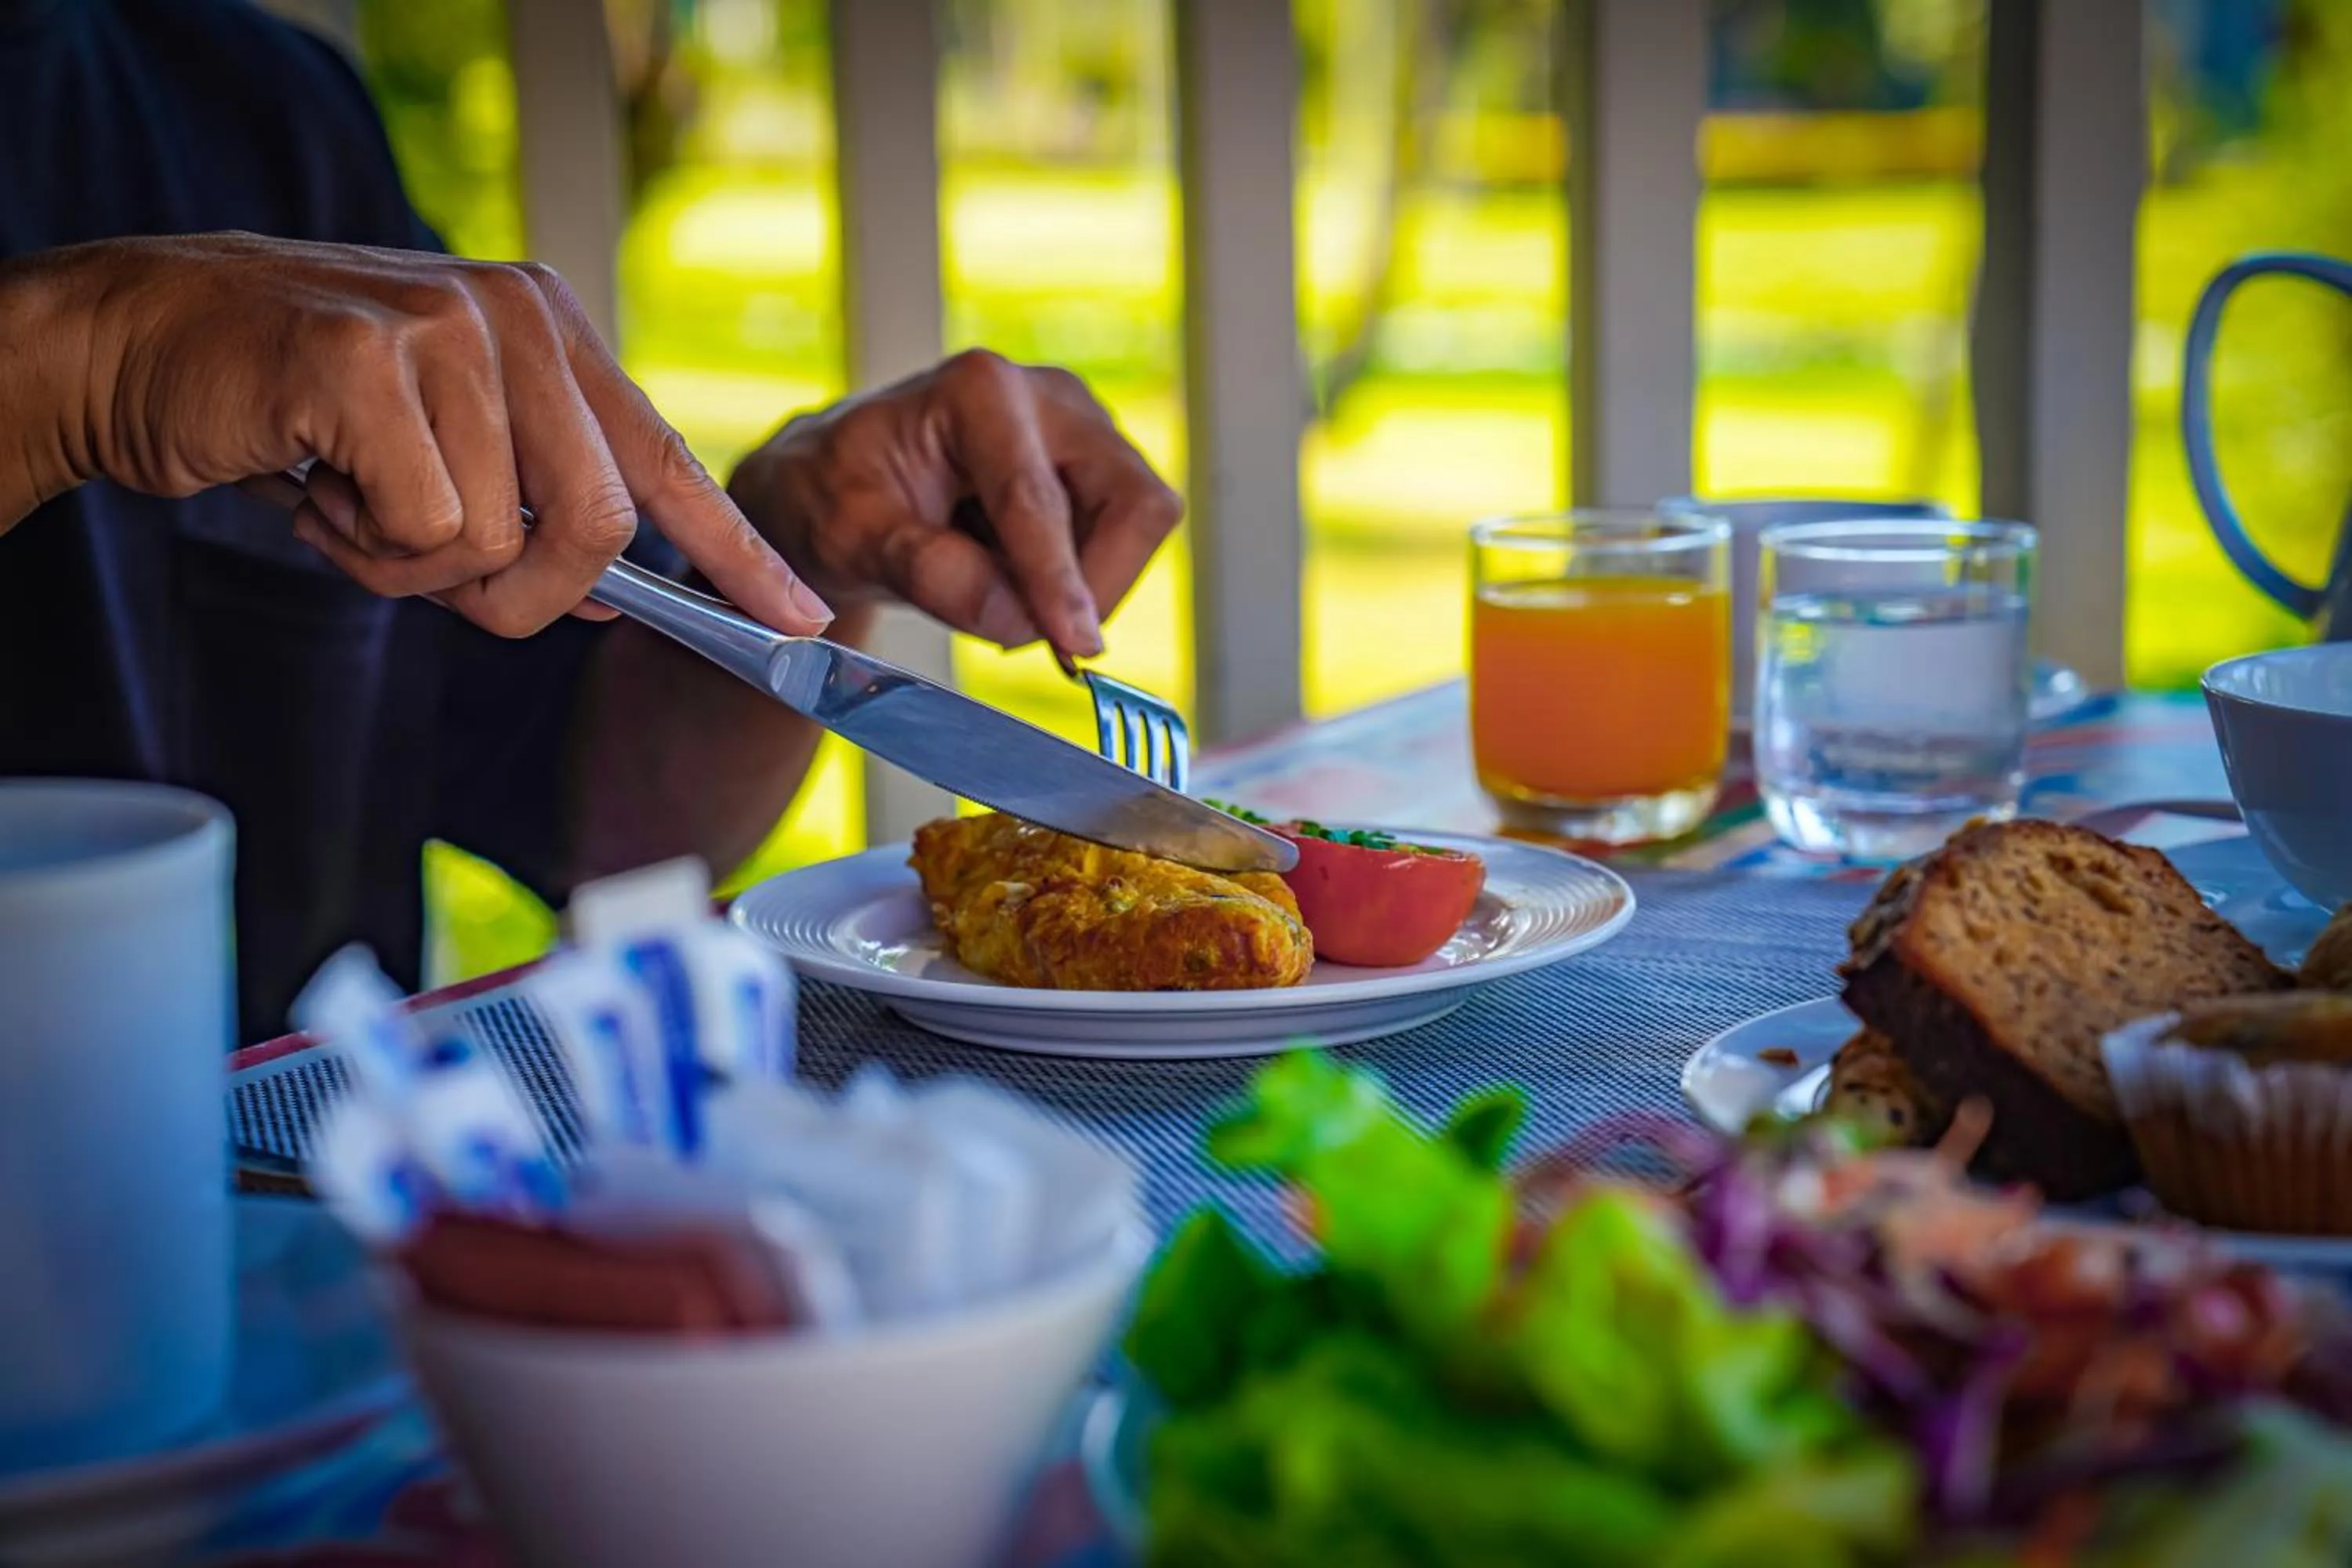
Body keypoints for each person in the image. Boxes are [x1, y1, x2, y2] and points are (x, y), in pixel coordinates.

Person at [0, 0, 1182, 1039]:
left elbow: (598, 818)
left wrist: (792, 545)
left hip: (318, 1159)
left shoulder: (259, 107)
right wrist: (68, 371)